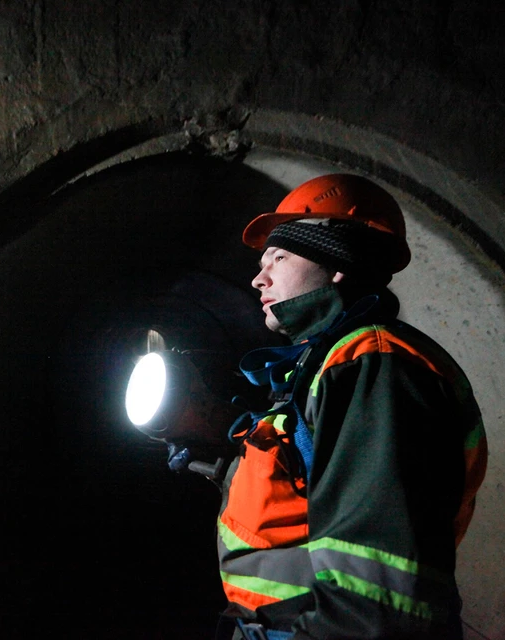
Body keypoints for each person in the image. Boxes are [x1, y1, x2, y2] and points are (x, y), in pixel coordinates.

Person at [206, 173, 488, 640]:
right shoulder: (329, 365)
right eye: (262, 262)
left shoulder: (374, 365)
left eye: (280, 257)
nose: (259, 278)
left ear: (337, 262)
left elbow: (375, 602)